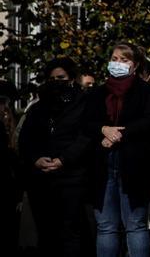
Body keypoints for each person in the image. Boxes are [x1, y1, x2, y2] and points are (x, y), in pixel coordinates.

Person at [85, 42, 150, 257]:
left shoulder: (145, 91)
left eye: (124, 60)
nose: (118, 63)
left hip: (134, 165)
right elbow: (87, 123)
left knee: (135, 225)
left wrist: (118, 135)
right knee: (106, 226)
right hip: (103, 164)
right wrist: (104, 129)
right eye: (115, 59)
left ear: (134, 65)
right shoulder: (98, 93)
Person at [18, 58, 91, 257]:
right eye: (52, 79)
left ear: (71, 78)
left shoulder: (84, 104)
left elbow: (85, 137)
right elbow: (25, 140)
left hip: (72, 178)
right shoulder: (38, 108)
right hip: (41, 180)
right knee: (46, 232)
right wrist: (36, 159)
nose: (56, 82)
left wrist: (63, 160)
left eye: (61, 78)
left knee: (71, 232)